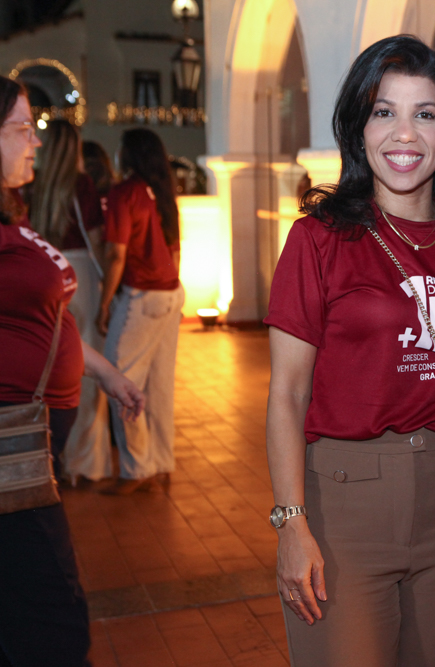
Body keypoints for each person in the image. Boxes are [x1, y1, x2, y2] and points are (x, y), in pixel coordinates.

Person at [263, 36, 435, 666]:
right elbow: (287, 393)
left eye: (425, 113)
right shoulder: (319, 240)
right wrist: (290, 522)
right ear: (358, 127)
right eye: (383, 111)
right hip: (344, 503)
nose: (405, 133)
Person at [0, 75, 143, 667]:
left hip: (34, 449)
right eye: (16, 130)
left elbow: (44, 324)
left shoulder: (15, 217)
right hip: (11, 455)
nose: (32, 142)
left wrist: (105, 371)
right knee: (53, 617)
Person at [97, 128, 185, 494]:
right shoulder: (162, 192)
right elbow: (176, 250)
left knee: (123, 381)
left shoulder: (124, 193)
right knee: (160, 384)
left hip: (142, 296)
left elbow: (117, 254)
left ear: (128, 154)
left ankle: (135, 469)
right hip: (170, 293)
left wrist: (104, 303)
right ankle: (161, 462)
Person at [29, 119, 112, 483]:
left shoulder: (37, 185)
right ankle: (86, 464)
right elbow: (95, 238)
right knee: (90, 365)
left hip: (46, 272)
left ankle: (56, 458)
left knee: (55, 366)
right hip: (79, 271)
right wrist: (109, 283)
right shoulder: (82, 184)